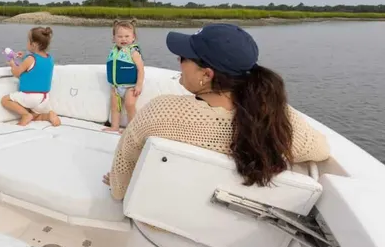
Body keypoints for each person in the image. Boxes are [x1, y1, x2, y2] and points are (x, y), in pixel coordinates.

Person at [103, 23, 330, 200]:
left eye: (184, 57)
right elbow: (320, 150)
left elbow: (120, 182)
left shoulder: (162, 112)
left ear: (207, 74)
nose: (178, 61)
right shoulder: (277, 119)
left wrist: (116, 186)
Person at [1, 26, 61, 127]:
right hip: (44, 98)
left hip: (31, 97)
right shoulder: (49, 58)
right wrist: (23, 56)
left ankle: (25, 115)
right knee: (35, 116)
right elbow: (35, 68)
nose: (27, 42)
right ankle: (49, 115)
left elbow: (16, 73)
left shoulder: (29, 59)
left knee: (5, 100)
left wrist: (12, 64)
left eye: (28, 40)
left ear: (33, 44)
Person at [104, 19, 145, 133]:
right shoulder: (114, 51)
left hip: (130, 86)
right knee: (115, 107)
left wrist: (139, 85)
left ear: (133, 37)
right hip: (116, 86)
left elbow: (141, 69)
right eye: (120, 36)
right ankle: (115, 126)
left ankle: (131, 129)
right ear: (114, 38)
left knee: (129, 105)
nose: (123, 39)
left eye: (127, 36)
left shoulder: (133, 52)